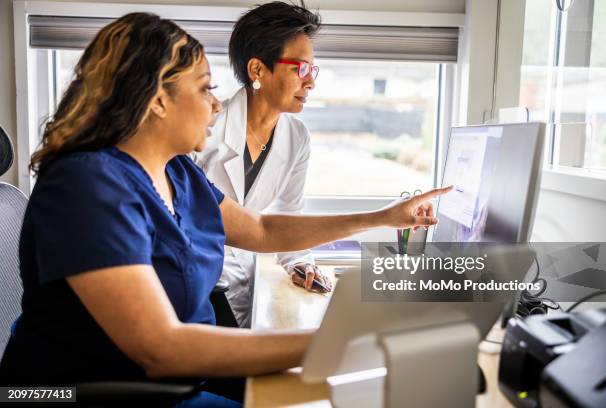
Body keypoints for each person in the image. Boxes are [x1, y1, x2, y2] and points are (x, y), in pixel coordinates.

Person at [0, 12, 450, 407]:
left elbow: (262, 231)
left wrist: (383, 216)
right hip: (95, 391)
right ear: (157, 100)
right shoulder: (88, 186)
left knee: (342, 390)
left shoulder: (176, 171)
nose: (217, 104)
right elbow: (162, 348)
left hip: (174, 377)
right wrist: (343, 339)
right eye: (204, 89)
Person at [193, 2, 327, 327]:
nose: (310, 83)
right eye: (300, 69)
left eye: (313, 70)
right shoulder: (204, 131)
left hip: (245, 286)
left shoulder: (297, 136)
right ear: (257, 70)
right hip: (199, 289)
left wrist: (299, 262)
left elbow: (287, 214)